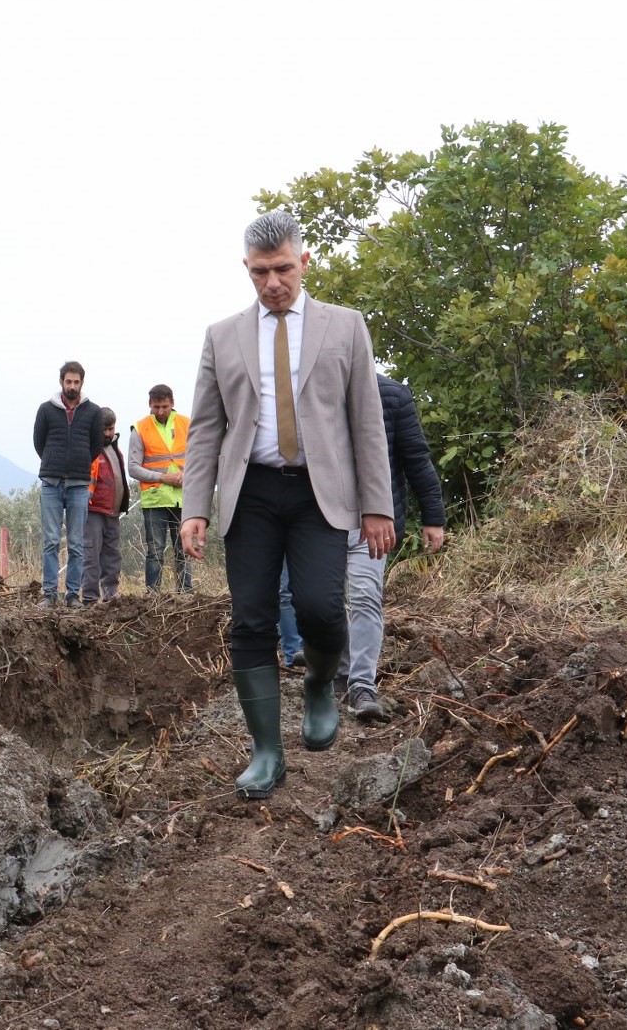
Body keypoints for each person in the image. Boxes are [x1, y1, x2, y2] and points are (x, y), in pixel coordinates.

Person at [180, 210, 394, 799]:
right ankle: (267, 753)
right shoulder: (222, 336)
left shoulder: (345, 327)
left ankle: (322, 684)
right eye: (258, 273)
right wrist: (194, 506)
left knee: (323, 607)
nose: (272, 283)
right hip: (249, 493)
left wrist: (378, 504)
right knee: (250, 618)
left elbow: (367, 421)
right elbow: (204, 429)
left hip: (320, 493)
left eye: (281, 269)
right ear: (246, 271)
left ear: (303, 261)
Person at [341, 374, 447, 721]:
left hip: (372, 522)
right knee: (321, 602)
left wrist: (433, 516)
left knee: (365, 596)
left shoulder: (392, 395)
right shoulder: (311, 389)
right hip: (316, 521)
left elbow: (415, 456)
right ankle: (338, 672)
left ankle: (361, 685)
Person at [33, 361, 104, 609]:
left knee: (76, 543)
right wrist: (53, 462)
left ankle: (73, 595)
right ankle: (49, 594)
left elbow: (95, 446)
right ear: (61, 382)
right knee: (51, 541)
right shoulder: (45, 410)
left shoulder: (94, 412)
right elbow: (39, 443)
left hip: (78, 485)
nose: (72, 386)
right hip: (51, 483)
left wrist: (79, 463)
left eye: (76, 382)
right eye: (68, 381)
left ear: (82, 383)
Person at [128, 384, 191, 593]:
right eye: (156, 407)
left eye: (164, 406)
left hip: (184, 497)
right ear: (150, 405)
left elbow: (201, 458)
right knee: (155, 551)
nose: (161, 411)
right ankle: (153, 596)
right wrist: (163, 477)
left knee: (184, 549)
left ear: (172, 403)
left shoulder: (187, 424)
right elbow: (133, 467)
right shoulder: (140, 428)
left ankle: (185, 593)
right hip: (154, 499)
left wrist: (186, 474)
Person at [83, 408, 130, 603]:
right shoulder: (88, 448)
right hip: (93, 510)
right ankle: (90, 598)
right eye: (105, 429)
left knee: (112, 556)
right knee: (91, 555)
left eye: (111, 429)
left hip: (113, 511)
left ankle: (111, 595)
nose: (108, 433)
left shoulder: (115, 448)